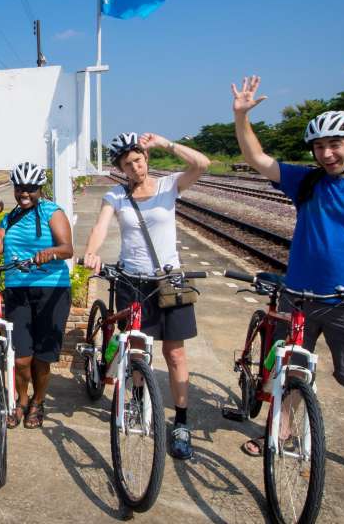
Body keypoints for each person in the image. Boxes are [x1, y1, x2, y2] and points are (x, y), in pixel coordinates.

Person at [230, 75, 344, 502]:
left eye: (336, 145)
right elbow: (257, 157)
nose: (327, 153)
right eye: (319, 147)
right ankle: (282, 429)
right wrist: (241, 116)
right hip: (297, 297)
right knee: (289, 372)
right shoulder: (307, 181)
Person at [82, 130, 210, 459]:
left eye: (138, 160)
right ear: (121, 168)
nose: (135, 168)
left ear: (146, 158)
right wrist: (92, 252)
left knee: (175, 354)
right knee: (137, 351)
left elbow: (202, 163)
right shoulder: (116, 196)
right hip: (131, 281)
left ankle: (181, 422)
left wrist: (167, 143)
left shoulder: (169, 186)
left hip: (169, 281)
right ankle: (139, 403)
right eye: (128, 164)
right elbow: (100, 227)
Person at [0, 162, 74, 429]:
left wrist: (51, 252)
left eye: (30, 189)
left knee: (43, 357)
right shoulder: (9, 218)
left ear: (39, 189)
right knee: (22, 356)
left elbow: (67, 248)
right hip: (17, 290)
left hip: (52, 289)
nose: (24, 193)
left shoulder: (52, 211)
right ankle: (22, 400)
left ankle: (38, 401)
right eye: (20, 188)